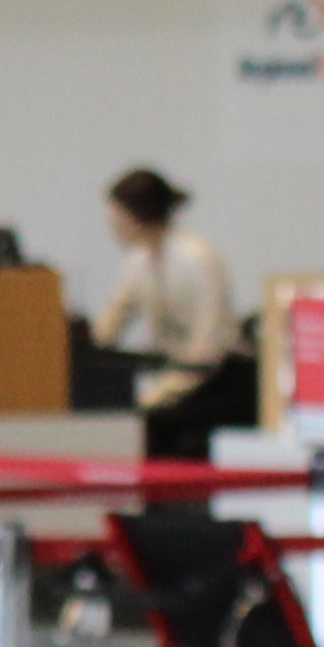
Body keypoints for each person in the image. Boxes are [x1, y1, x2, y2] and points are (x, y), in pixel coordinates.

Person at [94, 166, 245, 466]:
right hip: (174, 378)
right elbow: (110, 326)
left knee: (142, 421)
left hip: (217, 380)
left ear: (137, 214)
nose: (112, 226)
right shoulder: (139, 260)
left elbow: (209, 347)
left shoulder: (196, 257)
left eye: (116, 215)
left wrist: (160, 387)